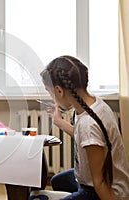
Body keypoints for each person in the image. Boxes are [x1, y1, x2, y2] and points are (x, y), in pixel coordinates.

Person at [40, 55, 129, 200]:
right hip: (90, 179)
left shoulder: (89, 124)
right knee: (57, 181)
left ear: (59, 90)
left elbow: (99, 182)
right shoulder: (92, 105)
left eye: (50, 92)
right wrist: (59, 122)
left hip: (101, 189)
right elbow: (83, 137)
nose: (51, 97)